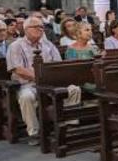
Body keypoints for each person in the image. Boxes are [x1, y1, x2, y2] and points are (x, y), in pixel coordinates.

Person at [6, 16, 76, 145]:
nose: (40, 29)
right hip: (28, 84)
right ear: (26, 29)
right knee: (26, 97)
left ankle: (68, 125)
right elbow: (18, 69)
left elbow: (57, 64)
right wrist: (39, 77)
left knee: (73, 89)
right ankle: (34, 132)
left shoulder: (48, 44)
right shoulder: (15, 46)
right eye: (36, 27)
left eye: (41, 27)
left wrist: (50, 77)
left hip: (50, 82)